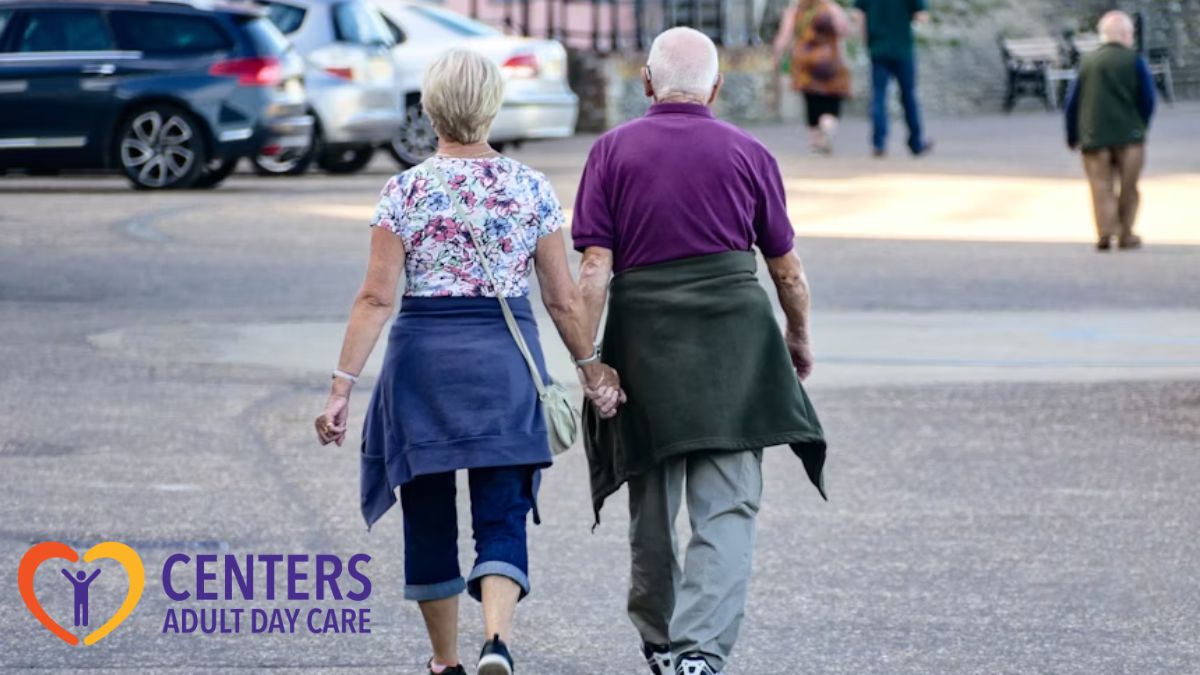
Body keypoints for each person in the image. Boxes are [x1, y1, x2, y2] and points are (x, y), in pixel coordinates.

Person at [313, 49, 622, 675]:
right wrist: (592, 371)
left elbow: (376, 297)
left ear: (430, 110)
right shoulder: (531, 188)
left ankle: (446, 661)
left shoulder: (403, 189)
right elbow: (561, 298)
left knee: (427, 514)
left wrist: (341, 388)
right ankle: (497, 642)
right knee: (502, 509)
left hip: (421, 368)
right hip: (504, 365)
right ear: (492, 108)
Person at [571, 27, 828, 675]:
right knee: (729, 503)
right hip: (733, 346)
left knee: (651, 499)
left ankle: (659, 640)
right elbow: (787, 269)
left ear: (648, 83)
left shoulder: (611, 152)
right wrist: (796, 337)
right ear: (715, 87)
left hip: (644, 341)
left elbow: (595, 266)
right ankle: (698, 654)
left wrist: (589, 360)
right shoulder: (749, 152)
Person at [1065, 10, 1156, 251]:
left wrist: (1072, 134)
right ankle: (1126, 234)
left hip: (1093, 136)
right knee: (1129, 187)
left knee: (1100, 185)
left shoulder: (1087, 62)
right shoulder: (1134, 60)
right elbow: (1147, 99)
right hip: (1130, 136)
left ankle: (1105, 232)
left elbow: (1072, 102)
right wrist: (1141, 125)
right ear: (1126, 34)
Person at [852, 0, 934, 157]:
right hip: (902, 49)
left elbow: (858, 16)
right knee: (908, 96)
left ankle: (879, 142)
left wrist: (866, 39)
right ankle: (916, 142)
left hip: (878, 48)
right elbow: (922, 16)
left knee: (879, 96)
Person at [772, 0, 853, 154]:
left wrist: (777, 55)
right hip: (831, 59)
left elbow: (785, 36)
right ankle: (828, 125)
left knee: (811, 100)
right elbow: (844, 30)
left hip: (805, 61)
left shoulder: (796, 9)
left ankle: (816, 139)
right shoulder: (831, 8)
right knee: (832, 100)